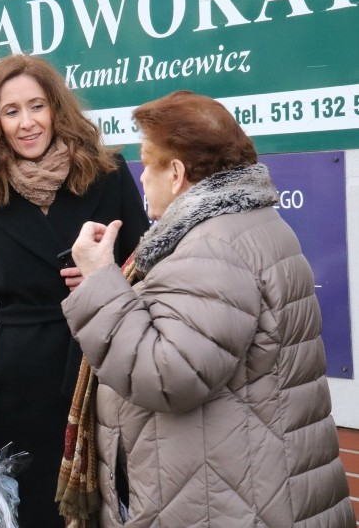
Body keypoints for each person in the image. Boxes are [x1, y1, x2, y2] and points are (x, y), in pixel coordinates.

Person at [62, 90, 355, 527]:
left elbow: (166, 373)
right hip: (249, 490)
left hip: (227, 502)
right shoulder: (251, 224)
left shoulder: (211, 247)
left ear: (176, 173)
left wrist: (102, 281)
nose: (141, 178)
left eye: (148, 163)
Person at [0, 54, 150, 526]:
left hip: (102, 369)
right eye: (11, 111)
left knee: (113, 507)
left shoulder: (107, 171)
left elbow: (151, 265)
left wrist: (108, 278)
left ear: (56, 108)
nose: (26, 123)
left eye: (36, 106)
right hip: (19, 386)